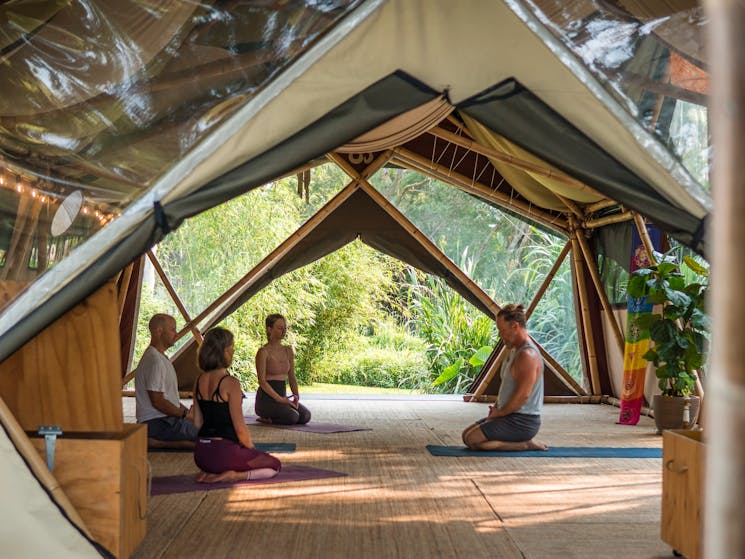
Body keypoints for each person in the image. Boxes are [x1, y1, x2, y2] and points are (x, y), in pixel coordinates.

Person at [192, 327, 281, 483]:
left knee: (234, 457)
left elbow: (197, 422)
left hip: (201, 456)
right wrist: (252, 451)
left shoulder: (198, 381)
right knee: (274, 465)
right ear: (225, 351)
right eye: (232, 346)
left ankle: (211, 471)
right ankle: (234, 475)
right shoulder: (231, 383)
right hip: (224, 453)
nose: (233, 350)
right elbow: (240, 429)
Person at [462, 304, 548, 451]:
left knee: (473, 440)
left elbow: (523, 395)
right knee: (466, 435)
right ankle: (520, 442)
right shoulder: (513, 350)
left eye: (502, 331)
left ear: (515, 326)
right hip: (509, 415)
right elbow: (507, 389)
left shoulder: (528, 355)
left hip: (523, 421)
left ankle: (524, 444)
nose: (500, 335)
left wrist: (500, 413)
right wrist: (496, 408)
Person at [135, 313, 198, 449]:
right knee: (210, 436)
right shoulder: (155, 361)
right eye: (173, 329)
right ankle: (158, 442)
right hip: (157, 423)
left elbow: (170, 399)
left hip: (163, 420)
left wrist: (188, 414)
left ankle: (163, 442)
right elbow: (158, 401)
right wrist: (185, 414)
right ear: (159, 331)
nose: (176, 334)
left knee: (209, 429)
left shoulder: (159, 358)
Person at [254, 314, 311, 425]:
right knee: (292, 417)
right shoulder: (263, 352)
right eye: (280, 328)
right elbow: (262, 381)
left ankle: (277, 415)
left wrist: (296, 397)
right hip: (267, 400)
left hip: (282, 398)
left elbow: (292, 377)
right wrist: (279, 399)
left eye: (285, 328)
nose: (283, 331)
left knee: (305, 416)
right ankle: (267, 418)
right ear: (269, 329)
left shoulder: (288, 350)